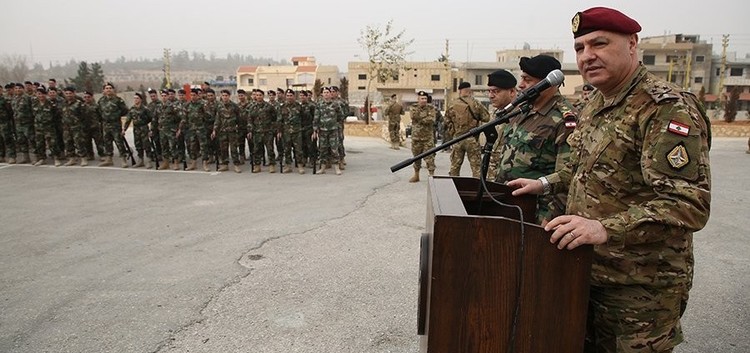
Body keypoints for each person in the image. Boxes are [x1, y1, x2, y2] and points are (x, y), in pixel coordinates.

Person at [507, 7, 711, 352]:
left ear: (632, 44)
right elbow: (584, 170)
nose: (588, 56)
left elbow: (689, 204)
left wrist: (603, 228)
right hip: (585, 272)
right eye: (580, 48)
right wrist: (543, 183)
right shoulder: (596, 103)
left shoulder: (665, 108)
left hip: (640, 287)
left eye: (599, 44)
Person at [495, 54, 578, 224]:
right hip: (508, 204)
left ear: (547, 83)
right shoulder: (522, 110)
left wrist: (548, 222)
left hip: (537, 214)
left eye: (527, 79)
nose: (521, 85)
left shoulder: (564, 119)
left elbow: (568, 176)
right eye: (521, 78)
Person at [443, 82, 490, 177]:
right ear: (470, 91)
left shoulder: (452, 104)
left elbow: (446, 120)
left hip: (457, 139)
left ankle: (454, 186)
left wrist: (453, 132)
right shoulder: (476, 103)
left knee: (455, 166)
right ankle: (477, 188)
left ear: (460, 91)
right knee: (476, 167)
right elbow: (486, 118)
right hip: (472, 138)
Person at [484, 69, 518, 180]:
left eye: (496, 91)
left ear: (512, 92)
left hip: (511, 181)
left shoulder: (521, 114)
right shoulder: (496, 113)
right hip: (493, 177)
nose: (491, 96)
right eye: (489, 91)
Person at [311, 87, 344, 175]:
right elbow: (316, 118)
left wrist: (337, 125)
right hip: (322, 131)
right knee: (322, 149)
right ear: (322, 94)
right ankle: (322, 168)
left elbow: (341, 116)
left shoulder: (335, 104)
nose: (326, 94)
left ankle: (337, 167)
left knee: (334, 149)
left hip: (333, 130)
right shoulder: (319, 105)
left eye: (327, 92)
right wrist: (315, 130)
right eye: (324, 92)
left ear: (330, 94)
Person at [97, 82, 130, 167]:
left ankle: (123, 159)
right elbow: (99, 111)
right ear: (104, 90)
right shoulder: (101, 100)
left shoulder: (118, 100)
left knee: (119, 142)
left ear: (113, 90)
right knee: (107, 142)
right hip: (105, 125)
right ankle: (109, 159)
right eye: (106, 88)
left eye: (110, 88)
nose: (108, 90)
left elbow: (125, 110)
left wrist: (116, 115)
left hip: (115, 125)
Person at [407, 91, 437, 182]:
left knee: (430, 158)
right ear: (418, 99)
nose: (424, 100)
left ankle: (431, 176)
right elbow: (413, 116)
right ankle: (416, 175)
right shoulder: (413, 107)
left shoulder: (431, 108)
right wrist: (425, 117)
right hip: (416, 138)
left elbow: (431, 120)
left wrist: (421, 118)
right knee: (416, 157)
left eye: (425, 99)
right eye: (422, 99)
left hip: (428, 138)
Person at [212, 89, 242, 173]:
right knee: (223, 149)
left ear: (229, 96)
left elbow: (239, 119)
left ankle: (236, 165)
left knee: (234, 149)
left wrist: (239, 128)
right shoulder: (219, 106)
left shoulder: (234, 106)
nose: (224, 97)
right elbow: (217, 119)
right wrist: (214, 130)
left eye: (226, 95)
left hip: (232, 131)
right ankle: (225, 164)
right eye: (223, 95)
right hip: (222, 131)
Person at [122, 92, 153, 168]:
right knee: (138, 144)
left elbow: (152, 119)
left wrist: (151, 129)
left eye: (137, 98)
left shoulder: (145, 109)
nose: (135, 100)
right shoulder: (132, 109)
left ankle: (149, 160)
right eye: (134, 98)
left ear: (141, 100)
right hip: (136, 129)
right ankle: (140, 160)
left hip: (144, 128)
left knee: (146, 145)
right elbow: (128, 120)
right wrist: (124, 129)